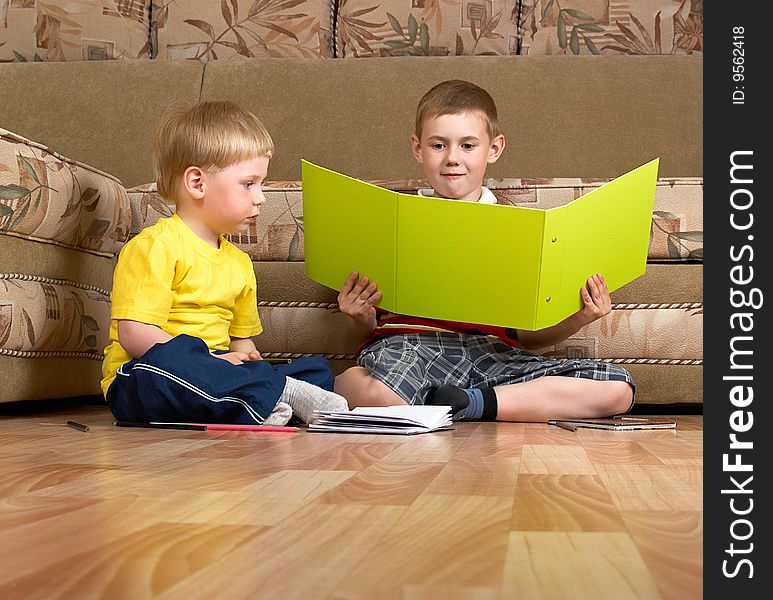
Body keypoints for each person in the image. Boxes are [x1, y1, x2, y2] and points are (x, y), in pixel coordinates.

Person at [333, 79, 634, 422]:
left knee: (617, 388)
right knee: (377, 392)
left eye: (468, 145)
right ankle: (433, 402)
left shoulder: (517, 230)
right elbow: (363, 333)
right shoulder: (393, 221)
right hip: (410, 347)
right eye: (438, 145)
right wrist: (358, 316)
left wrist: (581, 316)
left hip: (493, 356)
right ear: (418, 148)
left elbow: (528, 338)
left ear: (493, 148)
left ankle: (468, 403)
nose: (452, 159)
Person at [101, 101, 348, 425]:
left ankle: (259, 397)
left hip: (214, 369)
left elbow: (239, 340)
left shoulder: (239, 263)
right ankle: (267, 396)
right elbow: (135, 336)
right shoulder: (154, 246)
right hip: (140, 377)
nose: (260, 197)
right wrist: (209, 362)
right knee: (175, 365)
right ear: (197, 183)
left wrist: (245, 357)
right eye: (249, 184)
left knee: (314, 369)